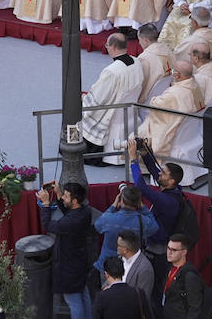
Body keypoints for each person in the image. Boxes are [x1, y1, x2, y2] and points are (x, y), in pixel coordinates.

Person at [80, 32, 145, 157]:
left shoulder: (112, 71)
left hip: (113, 113)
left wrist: (83, 99)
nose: (107, 48)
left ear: (113, 47)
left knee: (76, 105)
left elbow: (98, 98)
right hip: (130, 110)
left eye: (107, 45)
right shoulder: (136, 62)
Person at [37, 181, 93, 319]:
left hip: (68, 267)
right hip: (80, 262)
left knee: (73, 302)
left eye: (66, 196)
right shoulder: (85, 211)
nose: (63, 198)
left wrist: (45, 204)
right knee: (84, 295)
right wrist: (58, 193)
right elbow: (69, 210)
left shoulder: (69, 222)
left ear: (74, 200)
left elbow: (47, 225)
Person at [135, 60, 204, 156]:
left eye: (173, 70)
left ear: (177, 75)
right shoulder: (197, 86)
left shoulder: (174, 94)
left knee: (137, 136)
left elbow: (154, 105)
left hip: (175, 130)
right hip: (190, 131)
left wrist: (155, 98)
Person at [93, 182, 159, 275]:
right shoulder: (143, 222)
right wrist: (142, 207)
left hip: (106, 267)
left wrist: (113, 206)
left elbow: (97, 225)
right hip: (130, 268)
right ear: (138, 203)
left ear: (121, 200)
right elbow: (154, 227)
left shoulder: (108, 219)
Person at [159, 233, 203, 319]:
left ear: (184, 252)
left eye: (174, 250)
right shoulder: (170, 267)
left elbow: (195, 308)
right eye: (168, 248)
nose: (169, 252)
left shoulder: (189, 276)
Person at [115, 228, 155, 300]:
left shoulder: (145, 269)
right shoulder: (119, 259)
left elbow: (142, 298)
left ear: (125, 250)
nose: (117, 247)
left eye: (118, 245)